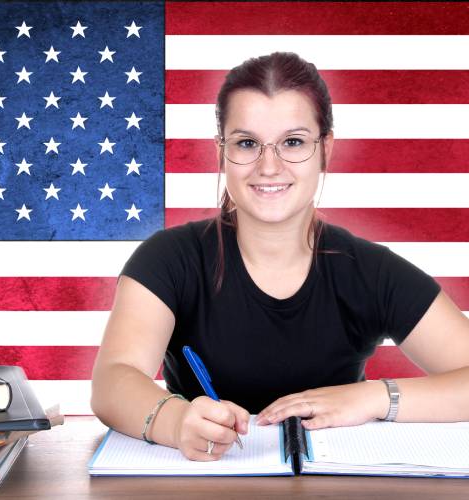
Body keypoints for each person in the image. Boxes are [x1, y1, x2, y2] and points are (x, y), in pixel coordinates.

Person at [91, 52, 469, 462]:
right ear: (222, 152)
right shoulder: (167, 259)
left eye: (293, 142)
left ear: (325, 149)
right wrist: (176, 421)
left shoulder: (372, 272)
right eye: (247, 143)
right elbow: (113, 380)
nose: (268, 166)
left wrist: (373, 397)